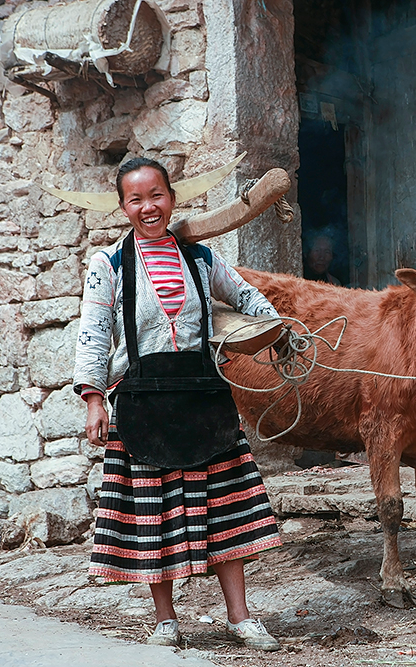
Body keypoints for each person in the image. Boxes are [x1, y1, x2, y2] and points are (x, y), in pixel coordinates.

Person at [73, 157, 284, 650]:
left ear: (172, 198)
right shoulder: (109, 264)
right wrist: (94, 398)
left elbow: (246, 296)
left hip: (203, 398)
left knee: (224, 510)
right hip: (142, 404)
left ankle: (240, 617)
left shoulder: (201, 258)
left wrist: (277, 327)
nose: (148, 207)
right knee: (155, 513)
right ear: (123, 207)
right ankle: (166, 620)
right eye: (136, 199)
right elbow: (94, 334)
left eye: (157, 195)